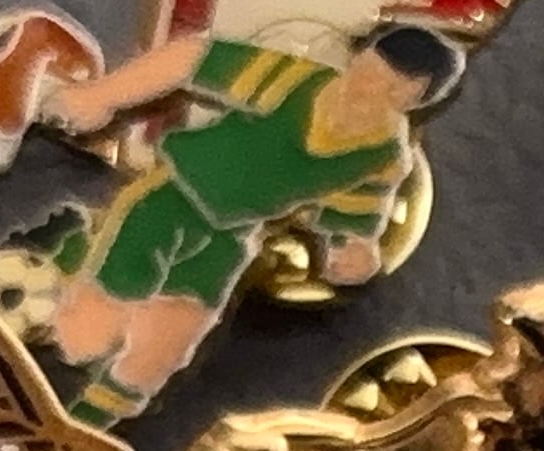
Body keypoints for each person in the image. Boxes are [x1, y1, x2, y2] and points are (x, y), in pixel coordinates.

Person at [42, 17, 466, 426]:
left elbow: (355, 218)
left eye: (395, 91)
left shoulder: (383, 157)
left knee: (168, 344)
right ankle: (57, 281)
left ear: (414, 101)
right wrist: (101, 96)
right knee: (90, 331)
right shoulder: (295, 81)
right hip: (172, 200)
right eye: (371, 73)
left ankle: (87, 425)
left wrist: (354, 252)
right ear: (358, 59)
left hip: (231, 237)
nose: (369, 93)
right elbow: (191, 58)